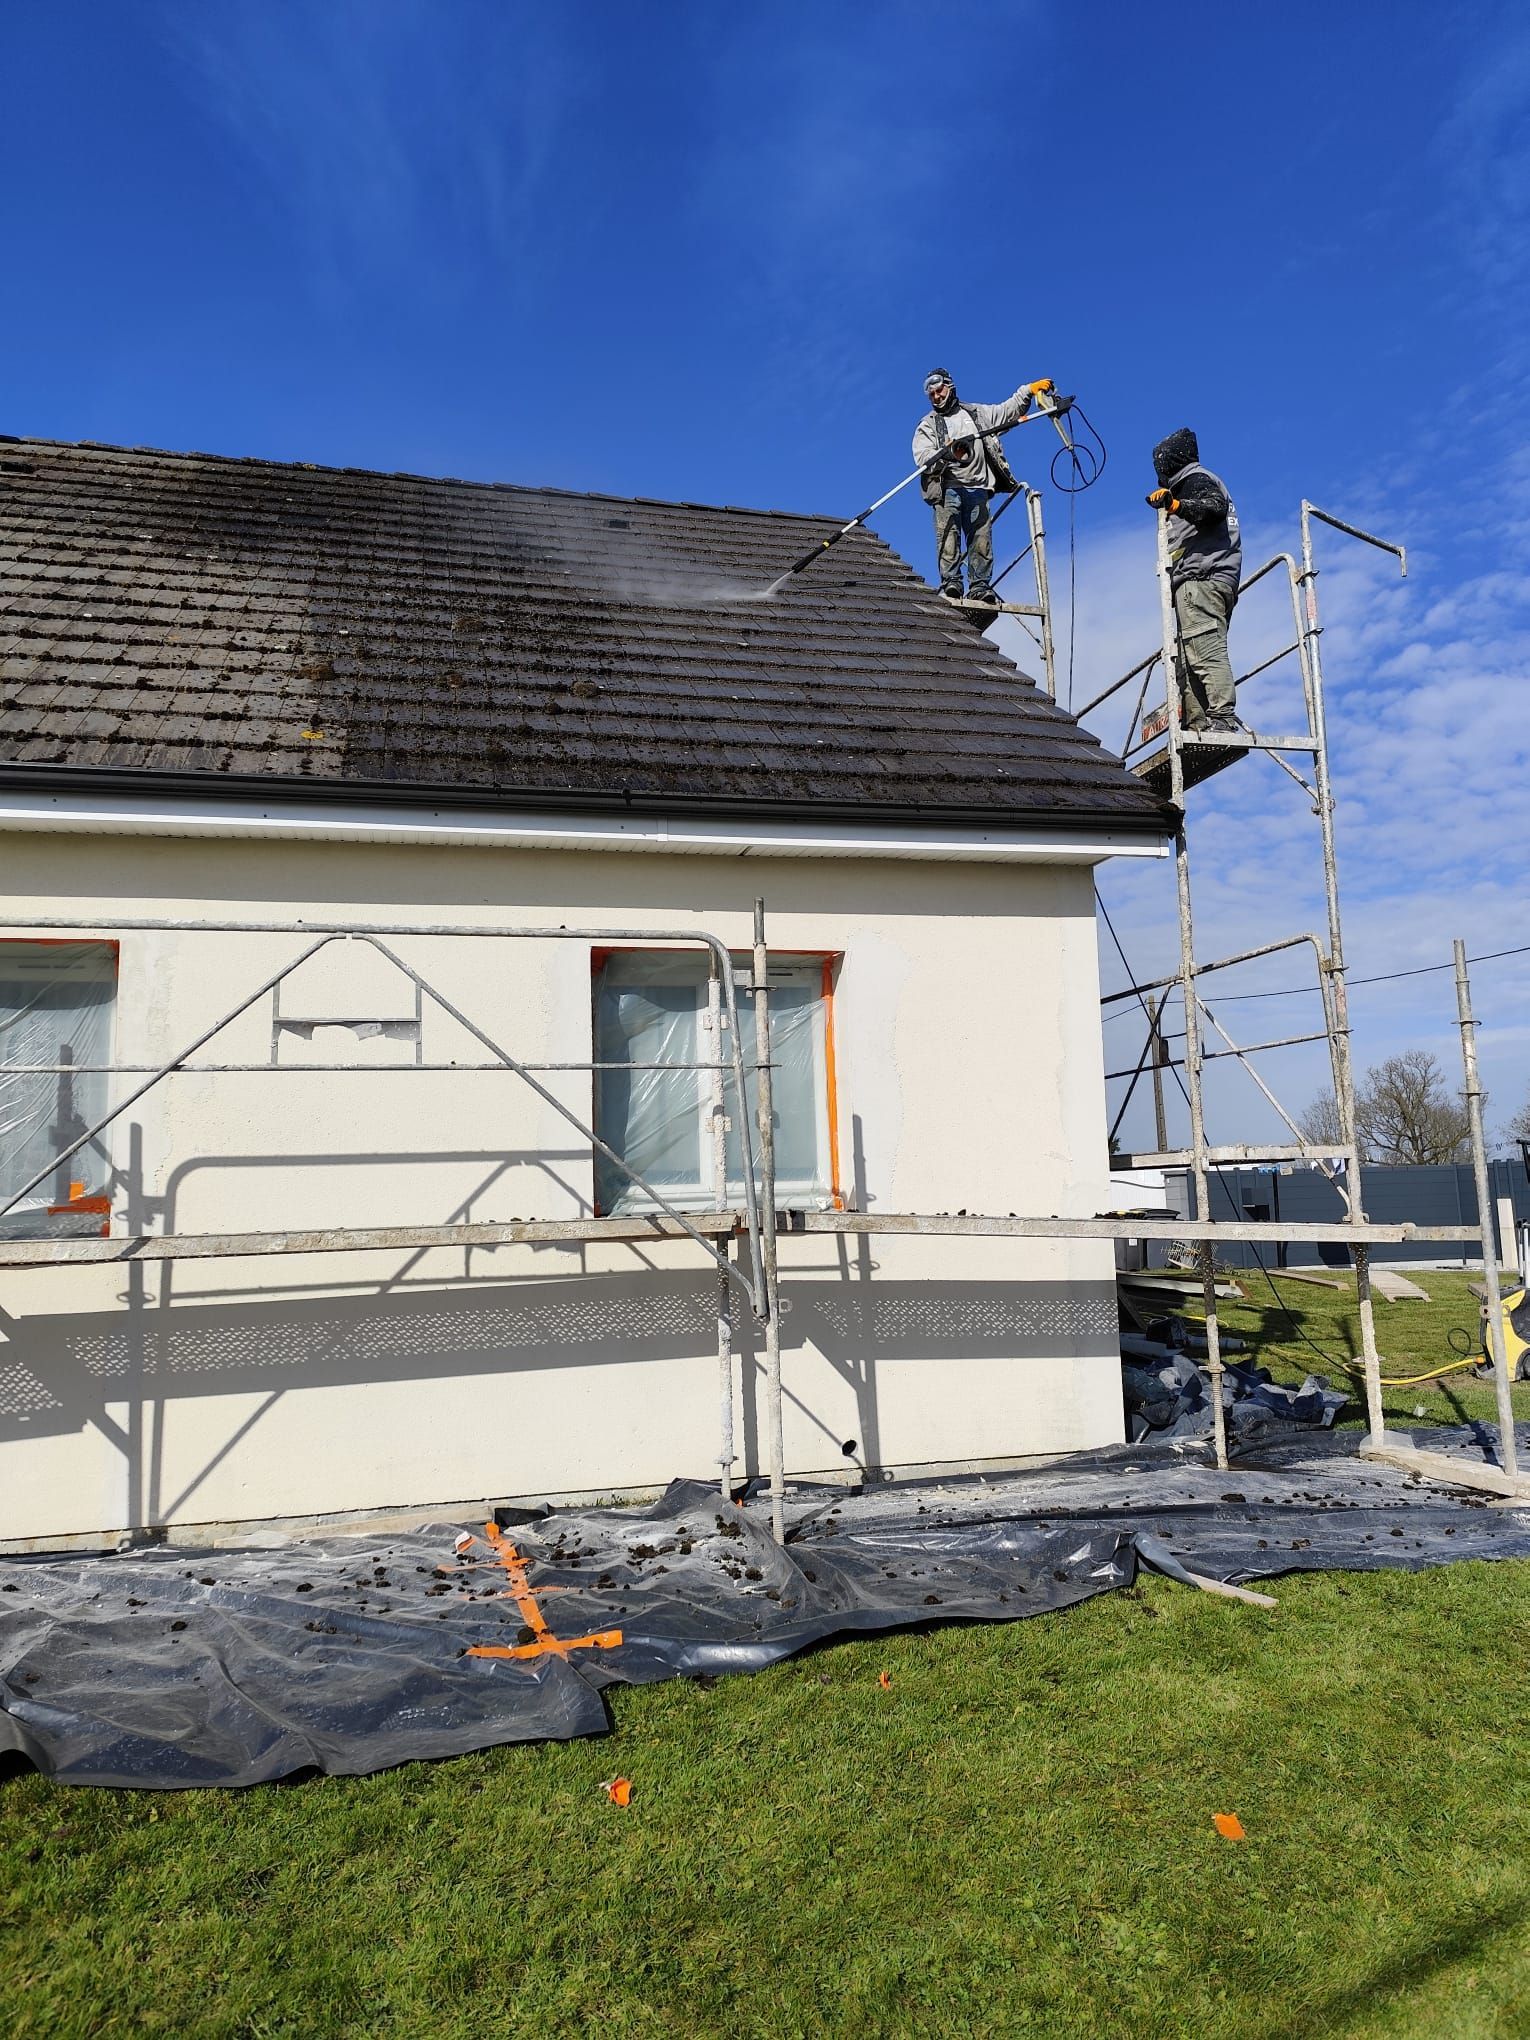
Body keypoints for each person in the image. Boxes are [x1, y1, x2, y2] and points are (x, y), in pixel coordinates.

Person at [912, 369, 1052, 607]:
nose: (936, 396)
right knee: (948, 537)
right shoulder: (928, 425)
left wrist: (1028, 390)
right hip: (948, 489)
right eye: (931, 394)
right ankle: (951, 583)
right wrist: (947, 454)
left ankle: (979, 586)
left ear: (949, 386)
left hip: (978, 487)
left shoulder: (975, 414)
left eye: (939, 390)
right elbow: (923, 457)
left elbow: (1007, 412)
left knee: (981, 539)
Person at [1147, 427, 1243, 733]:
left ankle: (1222, 718)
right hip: (1207, 582)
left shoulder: (1196, 480)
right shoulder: (1194, 481)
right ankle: (1199, 726)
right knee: (1190, 659)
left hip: (1202, 579)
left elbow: (1213, 508)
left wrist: (1176, 506)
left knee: (1204, 650)